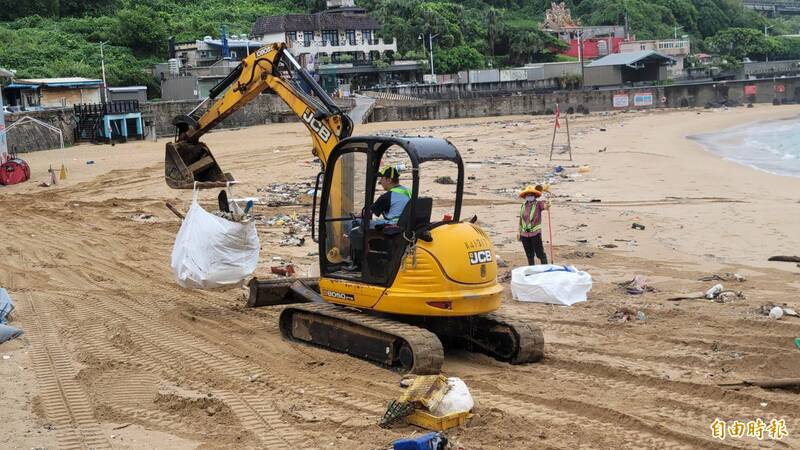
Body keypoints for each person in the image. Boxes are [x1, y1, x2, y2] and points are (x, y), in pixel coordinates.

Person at [346, 165, 411, 269]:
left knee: (355, 225)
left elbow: (367, 213)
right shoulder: (407, 191)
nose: (380, 181)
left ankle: (356, 262)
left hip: (392, 227)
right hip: (405, 225)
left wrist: (356, 214)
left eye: (382, 178)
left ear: (389, 180)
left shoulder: (387, 197)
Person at [517, 185, 549, 266]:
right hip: (524, 234)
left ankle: (545, 269)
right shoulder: (523, 206)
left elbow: (545, 206)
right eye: (528, 195)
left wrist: (547, 204)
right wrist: (519, 232)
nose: (529, 196)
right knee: (529, 254)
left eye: (531, 195)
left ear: (534, 196)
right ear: (525, 196)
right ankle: (532, 269)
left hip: (535, 233)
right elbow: (521, 220)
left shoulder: (539, 204)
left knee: (540, 253)